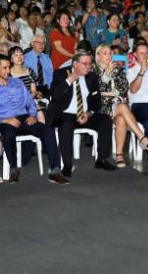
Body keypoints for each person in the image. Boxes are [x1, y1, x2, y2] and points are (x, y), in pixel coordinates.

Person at [0, 54, 63, 183]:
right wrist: (4, 120)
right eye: (5, 68)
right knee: (8, 134)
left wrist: (32, 114)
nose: (8, 71)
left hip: (25, 118)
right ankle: (13, 169)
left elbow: (30, 101)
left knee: (47, 129)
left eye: (9, 67)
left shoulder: (17, 82)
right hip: (5, 121)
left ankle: (55, 170)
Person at [48, 51, 116, 181]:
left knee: (105, 120)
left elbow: (97, 102)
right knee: (66, 125)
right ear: (75, 64)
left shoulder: (92, 77)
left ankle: (101, 158)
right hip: (65, 114)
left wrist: (89, 113)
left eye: (90, 63)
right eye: (84, 63)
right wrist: (69, 80)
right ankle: (67, 165)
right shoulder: (60, 74)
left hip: (84, 114)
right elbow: (55, 95)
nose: (88, 66)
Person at [94, 44, 148, 168]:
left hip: (118, 106)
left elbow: (124, 89)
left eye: (110, 53)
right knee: (122, 106)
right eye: (105, 53)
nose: (109, 55)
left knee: (121, 118)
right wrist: (106, 75)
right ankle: (142, 138)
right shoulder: (93, 71)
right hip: (101, 108)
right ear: (98, 56)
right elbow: (95, 92)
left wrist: (109, 92)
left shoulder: (117, 69)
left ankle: (119, 155)